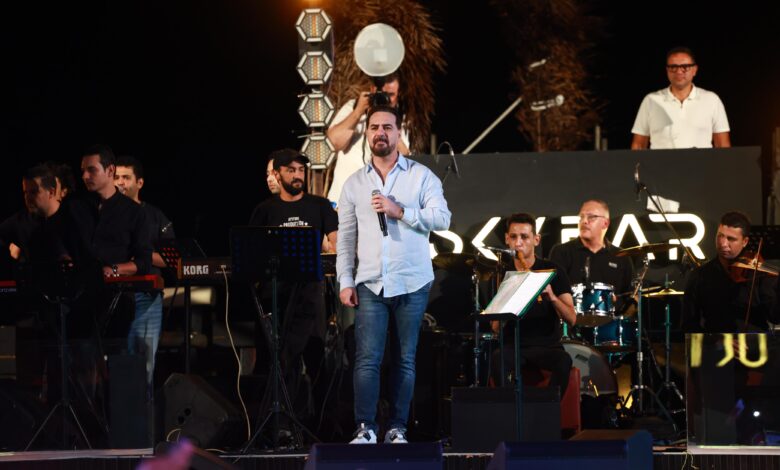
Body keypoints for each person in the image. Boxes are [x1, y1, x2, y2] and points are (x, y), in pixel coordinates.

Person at [337, 105, 451, 444]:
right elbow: (346, 238)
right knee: (367, 360)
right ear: (367, 133)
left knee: (405, 360)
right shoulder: (354, 184)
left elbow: (442, 218)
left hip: (412, 282)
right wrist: (345, 280)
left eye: (387, 127)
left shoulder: (421, 176)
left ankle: (398, 427)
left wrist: (400, 211)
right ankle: (365, 428)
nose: (380, 133)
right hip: (370, 282)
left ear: (398, 133)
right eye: (374, 127)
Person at [249, 148, 338, 412]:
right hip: (275, 296)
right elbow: (252, 252)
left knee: (316, 358)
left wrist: (330, 250)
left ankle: (322, 424)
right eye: (291, 170)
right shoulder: (265, 210)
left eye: (301, 170)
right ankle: (280, 422)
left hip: (310, 296)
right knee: (279, 361)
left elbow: (336, 246)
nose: (298, 175)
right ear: (277, 174)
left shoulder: (320, 206)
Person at [491, 213, 576, 396]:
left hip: (547, 346)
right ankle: (511, 409)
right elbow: (495, 328)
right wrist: (507, 299)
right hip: (514, 346)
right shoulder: (501, 274)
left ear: (536, 240)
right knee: (497, 359)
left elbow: (572, 319)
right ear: (506, 239)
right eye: (513, 237)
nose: (518, 243)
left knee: (563, 361)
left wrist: (552, 297)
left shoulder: (553, 270)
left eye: (524, 237)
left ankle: (547, 409)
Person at [115, 155, 175, 389]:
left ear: (139, 183)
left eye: (126, 177)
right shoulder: (104, 214)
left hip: (145, 296)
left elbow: (172, 260)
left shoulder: (154, 216)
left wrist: (141, 256)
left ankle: (142, 409)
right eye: (116, 177)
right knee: (113, 359)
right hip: (113, 295)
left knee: (143, 362)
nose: (120, 182)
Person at [682, 211, 779, 333]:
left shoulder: (760, 274)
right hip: (715, 344)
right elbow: (689, 325)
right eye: (720, 236)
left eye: (731, 239)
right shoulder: (699, 275)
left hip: (754, 343)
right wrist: (716, 340)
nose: (723, 244)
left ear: (745, 242)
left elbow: (775, 317)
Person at [326, 73, 411, 206]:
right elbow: (334, 142)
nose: (385, 99)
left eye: (390, 95)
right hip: (342, 200)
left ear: (398, 94)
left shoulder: (400, 118)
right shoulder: (353, 106)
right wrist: (358, 111)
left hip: (376, 205)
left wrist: (389, 121)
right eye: (381, 93)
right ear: (372, 89)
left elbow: (405, 157)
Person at [631, 46, 730, 150]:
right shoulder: (651, 101)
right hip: (660, 161)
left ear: (694, 70)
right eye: (673, 67)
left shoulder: (712, 100)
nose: (679, 71)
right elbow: (638, 145)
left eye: (685, 66)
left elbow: (722, 145)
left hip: (701, 161)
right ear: (667, 70)